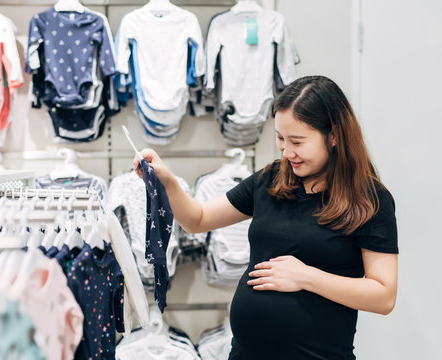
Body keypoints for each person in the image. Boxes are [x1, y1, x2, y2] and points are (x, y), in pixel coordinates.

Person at [133, 75, 399, 360]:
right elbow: (197, 220)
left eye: (297, 141)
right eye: (280, 138)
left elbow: (383, 296)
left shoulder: (369, 199)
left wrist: (306, 277)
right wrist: (167, 182)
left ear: (334, 136)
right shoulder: (271, 180)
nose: (287, 151)